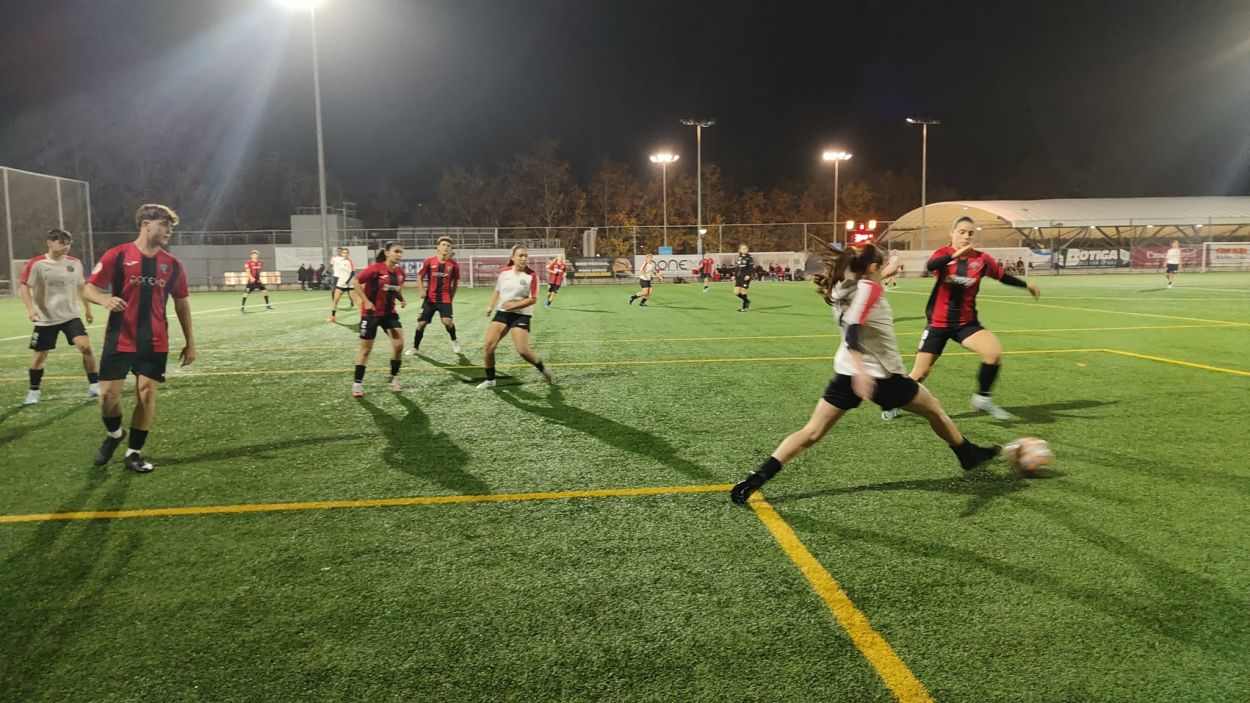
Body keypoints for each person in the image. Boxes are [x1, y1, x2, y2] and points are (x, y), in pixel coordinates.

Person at [729, 242, 1000, 504]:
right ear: (872, 268)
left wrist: (891, 264)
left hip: (843, 373)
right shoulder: (869, 289)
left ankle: (757, 477)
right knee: (935, 411)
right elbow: (855, 327)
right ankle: (967, 455)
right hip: (879, 377)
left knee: (811, 432)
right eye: (880, 266)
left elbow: (869, 289)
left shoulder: (841, 286)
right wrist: (861, 371)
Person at [882, 216, 1040, 423]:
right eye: (962, 232)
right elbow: (931, 266)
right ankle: (894, 401)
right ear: (952, 233)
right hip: (938, 323)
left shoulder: (982, 259)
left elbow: (1002, 276)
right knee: (919, 374)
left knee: (993, 353)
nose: (966, 236)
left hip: (966, 324)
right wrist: (955, 255)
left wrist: (1026, 285)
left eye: (970, 233)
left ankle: (982, 399)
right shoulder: (944, 255)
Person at [83, 203, 195, 474]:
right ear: (146, 224)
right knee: (107, 397)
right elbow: (88, 288)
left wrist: (190, 342)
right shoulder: (118, 255)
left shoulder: (172, 265)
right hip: (119, 338)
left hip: (155, 341)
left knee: (146, 394)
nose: (168, 230)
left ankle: (134, 453)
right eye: (164, 224)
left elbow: (182, 304)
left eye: (171, 225)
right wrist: (104, 299)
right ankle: (114, 435)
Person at [18, 228, 99, 405]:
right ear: (49, 242)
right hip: (46, 319)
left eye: (68, 243)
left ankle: (94, 385)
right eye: (61, 243)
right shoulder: (37, 263)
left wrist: (87, 309)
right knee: (40, 356)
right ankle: (34, 390)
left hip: (70, 316)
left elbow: (81, 287)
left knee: (85, 346)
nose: (66, 247)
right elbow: (24, 287)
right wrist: (31, 309)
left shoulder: (75, 263)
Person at [478, 245, 554, 389]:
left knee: (523, 351)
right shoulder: (504, 272)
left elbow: (533, 299)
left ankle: (543, 368)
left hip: (521, 315)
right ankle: (490, 380)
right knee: (488, 346)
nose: (524, 258)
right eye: (520, 255)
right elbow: (497, 291)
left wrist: (514, 305)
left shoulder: (531, 275)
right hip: (503, 313)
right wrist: (491, 306)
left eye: (526, 256)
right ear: (512, 258)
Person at [350, 241, 407, 397]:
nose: (399, 254)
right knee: (366, 349)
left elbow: (395, 289)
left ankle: (394, 376)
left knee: (399, 344)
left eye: (401, 252)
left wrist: (401, 299)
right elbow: (356, 282)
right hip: (371, 314)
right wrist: (366, 301)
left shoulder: (400, 272)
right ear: (387, 253)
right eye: (396, 251)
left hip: (389, 313)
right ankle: (357, 383)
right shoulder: (375, 269)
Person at [406, 236, 461, 355]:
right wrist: (421, 290)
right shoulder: (429, 261)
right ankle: (415, 347)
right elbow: (420, 276)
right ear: (438, 247)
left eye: (448, 245)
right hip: (430, 299)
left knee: (447, 322)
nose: (446, 247)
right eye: (443, 245)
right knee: (421, 324)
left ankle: (455, 340)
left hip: (445, 298)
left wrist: (452, 295)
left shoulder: (454, 265)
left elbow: (455, 282)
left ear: (450, 249)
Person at [328, 248, 357, 321]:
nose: (345, 254)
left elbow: (352, 273)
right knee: (335, 300)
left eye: (347, 253)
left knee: (356, 301)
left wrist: (347, 282)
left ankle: (365, 316)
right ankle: (332, 317)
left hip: (349, 284)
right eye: (344, 253)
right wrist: (327, 271)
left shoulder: (350, 261)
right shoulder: (338, 261)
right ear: (341, 254)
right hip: (340, 283)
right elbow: (333, 267)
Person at [733, 243, 754, 311]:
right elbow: (737, 268)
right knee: (736, 292)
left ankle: (745, 307)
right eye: (742, 248)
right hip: (739, 277)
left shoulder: (749, 258)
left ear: (747, 249)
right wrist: (734, 276)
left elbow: (751, 268)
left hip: (745, 277)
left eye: (745, 248)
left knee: (743, 291)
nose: (744, 250)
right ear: (740, 250)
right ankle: (747, 300)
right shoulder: (740, 258)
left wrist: (749, 275)